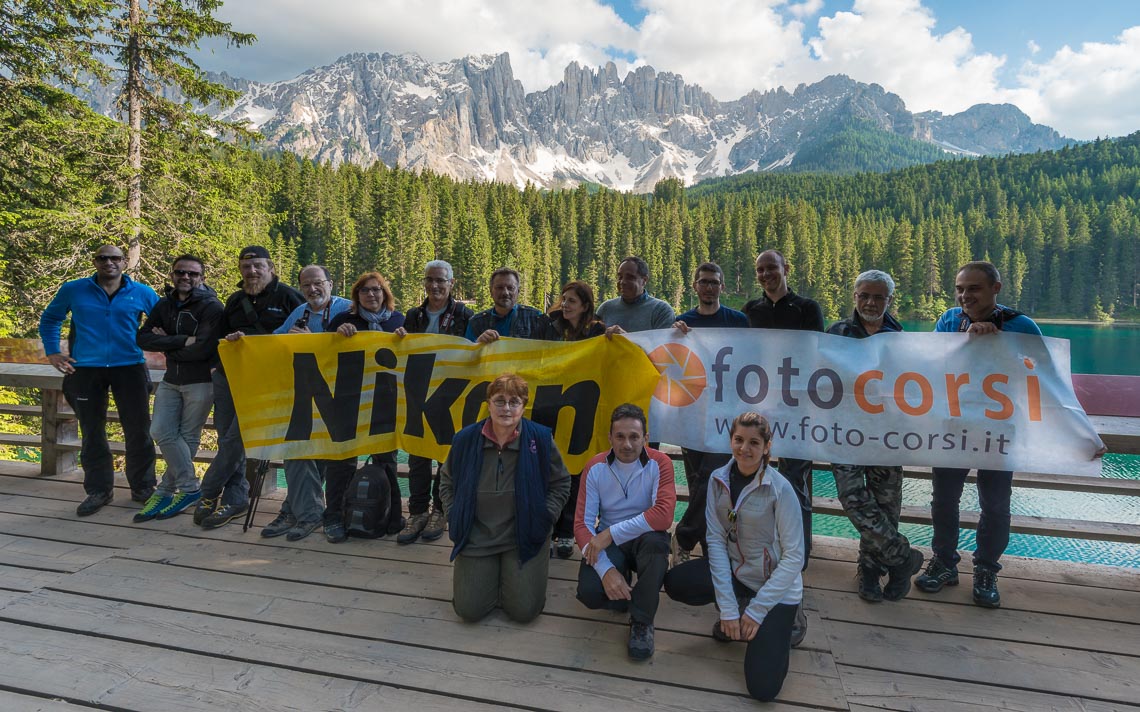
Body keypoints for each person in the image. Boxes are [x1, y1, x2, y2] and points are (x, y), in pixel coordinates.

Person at [915, 261, 1042, 608]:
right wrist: (966, 342)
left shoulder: (1022, 325)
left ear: (995, 289)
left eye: (973, 288)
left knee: (996, 505)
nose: (964, 295)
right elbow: (932, 365)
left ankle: (986, 569)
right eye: (959, 288)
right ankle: (944, 563)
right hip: (953, 425)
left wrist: (1000, 345)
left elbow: (1041, 374)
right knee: (943, 500)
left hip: (999, 429)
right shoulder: (948, 320)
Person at [663, 412, 804, 702]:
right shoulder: (718, 480)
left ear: (767, 446)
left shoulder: (781, 489)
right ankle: (737, 609)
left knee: (763, 690)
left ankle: (780, 620)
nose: (745, 448)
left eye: (754, 442)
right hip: (738, 573)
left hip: (775, 589)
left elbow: (794, 558)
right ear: (730, 441)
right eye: (739, 440)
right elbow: (714, 541)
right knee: (676, 581)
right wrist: (727, 609)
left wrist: (758, 610)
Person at [39, 244, 159, 516]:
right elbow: (50, 319)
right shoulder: (74, 289)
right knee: (92, 431)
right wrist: (53, 353)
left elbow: (166, 320)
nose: (109, 263)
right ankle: (98, 491)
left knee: (138, 430)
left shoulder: (141, 292)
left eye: (115, 258)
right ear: (94, 262)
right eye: (103, 258)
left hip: (130, 367)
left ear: (124, 263)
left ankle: (143, 487)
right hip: (86, 369)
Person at [440, 373, 571, 623]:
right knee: (469, 611)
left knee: (524, 612)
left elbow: (561, 482)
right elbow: (446, 481)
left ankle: (514, 576)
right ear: (488, 403)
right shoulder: (465, 439)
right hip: (476, 535)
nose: (507, 408)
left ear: (524, 406)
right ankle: (495, 576)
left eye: (515, 401)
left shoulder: (541, 438)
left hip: (524, 534)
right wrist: (455, 514)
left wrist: (545, 517)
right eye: (500, 401)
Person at [826, 270, 924, 602]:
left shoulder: (902, 338)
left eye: (878, 296)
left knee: (885, 507)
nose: (870, 302)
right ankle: (903, 559)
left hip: (888, 437)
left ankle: (870, 572)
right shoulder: (836, 333)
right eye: (864, 295)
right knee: (853, 500)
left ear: (889, 300)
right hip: (845, 434)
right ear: (855, 296)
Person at [742, 249, 822, 643]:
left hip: (800, 414)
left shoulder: (808, 307)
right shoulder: (750, 309)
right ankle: (758, 563)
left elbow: (817, 354)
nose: (766, 274)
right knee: (759, 487)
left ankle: (797, 564)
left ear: (786, 269)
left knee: (797, 492)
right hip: (761, 413)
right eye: (760, 270)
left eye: (772, 268)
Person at [194, 246, 304, 530]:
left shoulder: (290, 296)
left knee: (236, 438)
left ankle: (207, 492)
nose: (252, 271)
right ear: (240, 270)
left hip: (268, 380)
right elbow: (218, 338)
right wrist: (219, 361)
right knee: (226, 436)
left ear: (270, 268)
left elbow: (308, 333)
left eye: (258, 266)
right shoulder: (234, 300)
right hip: (230, 376)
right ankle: (236, 499)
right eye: (247, 267)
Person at [259, 265, 353, 541]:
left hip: (339, 397)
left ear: (330, 283)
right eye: (306, 286)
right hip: (303, 394)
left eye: (318, 283)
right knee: (297, 450)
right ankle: (303, 511)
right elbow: (272, 341)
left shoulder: (348, 310)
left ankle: (299, 511)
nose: (313, 290)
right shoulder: (299, 313)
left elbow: (357, 348)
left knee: (319, 456)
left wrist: (315, 342)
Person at [574, 404, 675, 660]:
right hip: (613, 544)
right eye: (620, 436)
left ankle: (642, 621)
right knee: (589, 592)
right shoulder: (595, 466)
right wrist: (606, 570)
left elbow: (663, 516)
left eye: (634, 437)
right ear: (610, 438)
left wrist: (609, 534)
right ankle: (624, 586)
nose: (627, 444)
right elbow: (582, 526)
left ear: (646, 439)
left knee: (656, 545)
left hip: (644, 538)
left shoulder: (660, 462)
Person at [134, 255, 223, 523]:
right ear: (172, 275)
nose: (186, 277)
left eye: (192, 274)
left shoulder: (212, 307)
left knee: (188, 436)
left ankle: (164, 491)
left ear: (202, 277)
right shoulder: (165, 304)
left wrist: (166, 344)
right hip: (171, 380)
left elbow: (205, 348)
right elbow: (142, 337)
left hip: (200, 382)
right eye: (180, 272)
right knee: (160, 430)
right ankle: (189, 488)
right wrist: (183, 341)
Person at [670, 262, 749, 564]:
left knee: (715, 478)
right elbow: (672, 365)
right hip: (691, 413)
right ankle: (706, 547)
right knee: (697, 483)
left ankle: (685, 536)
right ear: (695, 286)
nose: (709, 287)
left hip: (727, 415)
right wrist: (674, 337)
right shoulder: (682, 323)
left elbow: (752, 360)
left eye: (714, 282)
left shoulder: (738, 321)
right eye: (703, 282)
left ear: (722, 287)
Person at [321, 272, 407, 544]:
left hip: (385, 401)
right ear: (356, 296)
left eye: (377, 290)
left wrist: (405, 340)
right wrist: (336, 337)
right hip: (348, 400)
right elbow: (322, 354)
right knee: (341, 461)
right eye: (365, 291)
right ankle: (334, 516)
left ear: (385, 294)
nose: (372, 294)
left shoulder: (398, 321)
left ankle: (392, 515)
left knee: (387, 461)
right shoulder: (343, 320)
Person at [393, 260, 474, 545]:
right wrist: (399, 339)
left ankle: (439, 511)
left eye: (441, 280)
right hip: (417, 392)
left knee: (444, 455)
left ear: (451, 283)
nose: (436, 285)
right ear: (425, 283)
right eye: (430, 280)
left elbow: (472, 352)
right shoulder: (413, 315)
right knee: (417, 454)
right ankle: (416, 512)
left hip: (450, 395)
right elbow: (401, 350)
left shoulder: (464, 314)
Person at [541, 279, 607, 558]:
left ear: (585, 306)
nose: (565, 305)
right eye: (564, 299)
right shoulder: (550, 325)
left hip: (583, 408)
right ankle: (547, 528)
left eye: (572, 301)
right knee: (548, 468)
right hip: (551, 405)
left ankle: (567, 531)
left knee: (576, 471)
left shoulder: (598, 330)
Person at [465, 267, 550, 343]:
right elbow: (467, 356)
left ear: (518, 291)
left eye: (510, 288)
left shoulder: (536, 318)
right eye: (499, 288)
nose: (505, 293)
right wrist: (478, 344)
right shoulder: (476, 323)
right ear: (491, 291)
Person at [597, 256, 675, 336]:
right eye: (620, 277)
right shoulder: (605, 309)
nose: (622, 282)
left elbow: (662, 346)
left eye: (630, 277)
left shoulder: (661, 311)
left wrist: (626, 338)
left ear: (644, 280)